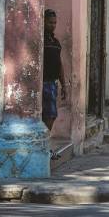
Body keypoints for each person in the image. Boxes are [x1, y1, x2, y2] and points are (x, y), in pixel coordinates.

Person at [43, 9, 66, 159]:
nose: (53, 25)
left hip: (52, 84)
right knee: (45, 115)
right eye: (50, 22)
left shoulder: (55, 43)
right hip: (42, 84)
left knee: (50, 115)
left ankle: (45, 145)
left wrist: (64, 85)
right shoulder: (41, 41)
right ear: (44, 21)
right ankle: (43, 146)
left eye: (55, 23)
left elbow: (59, 65)